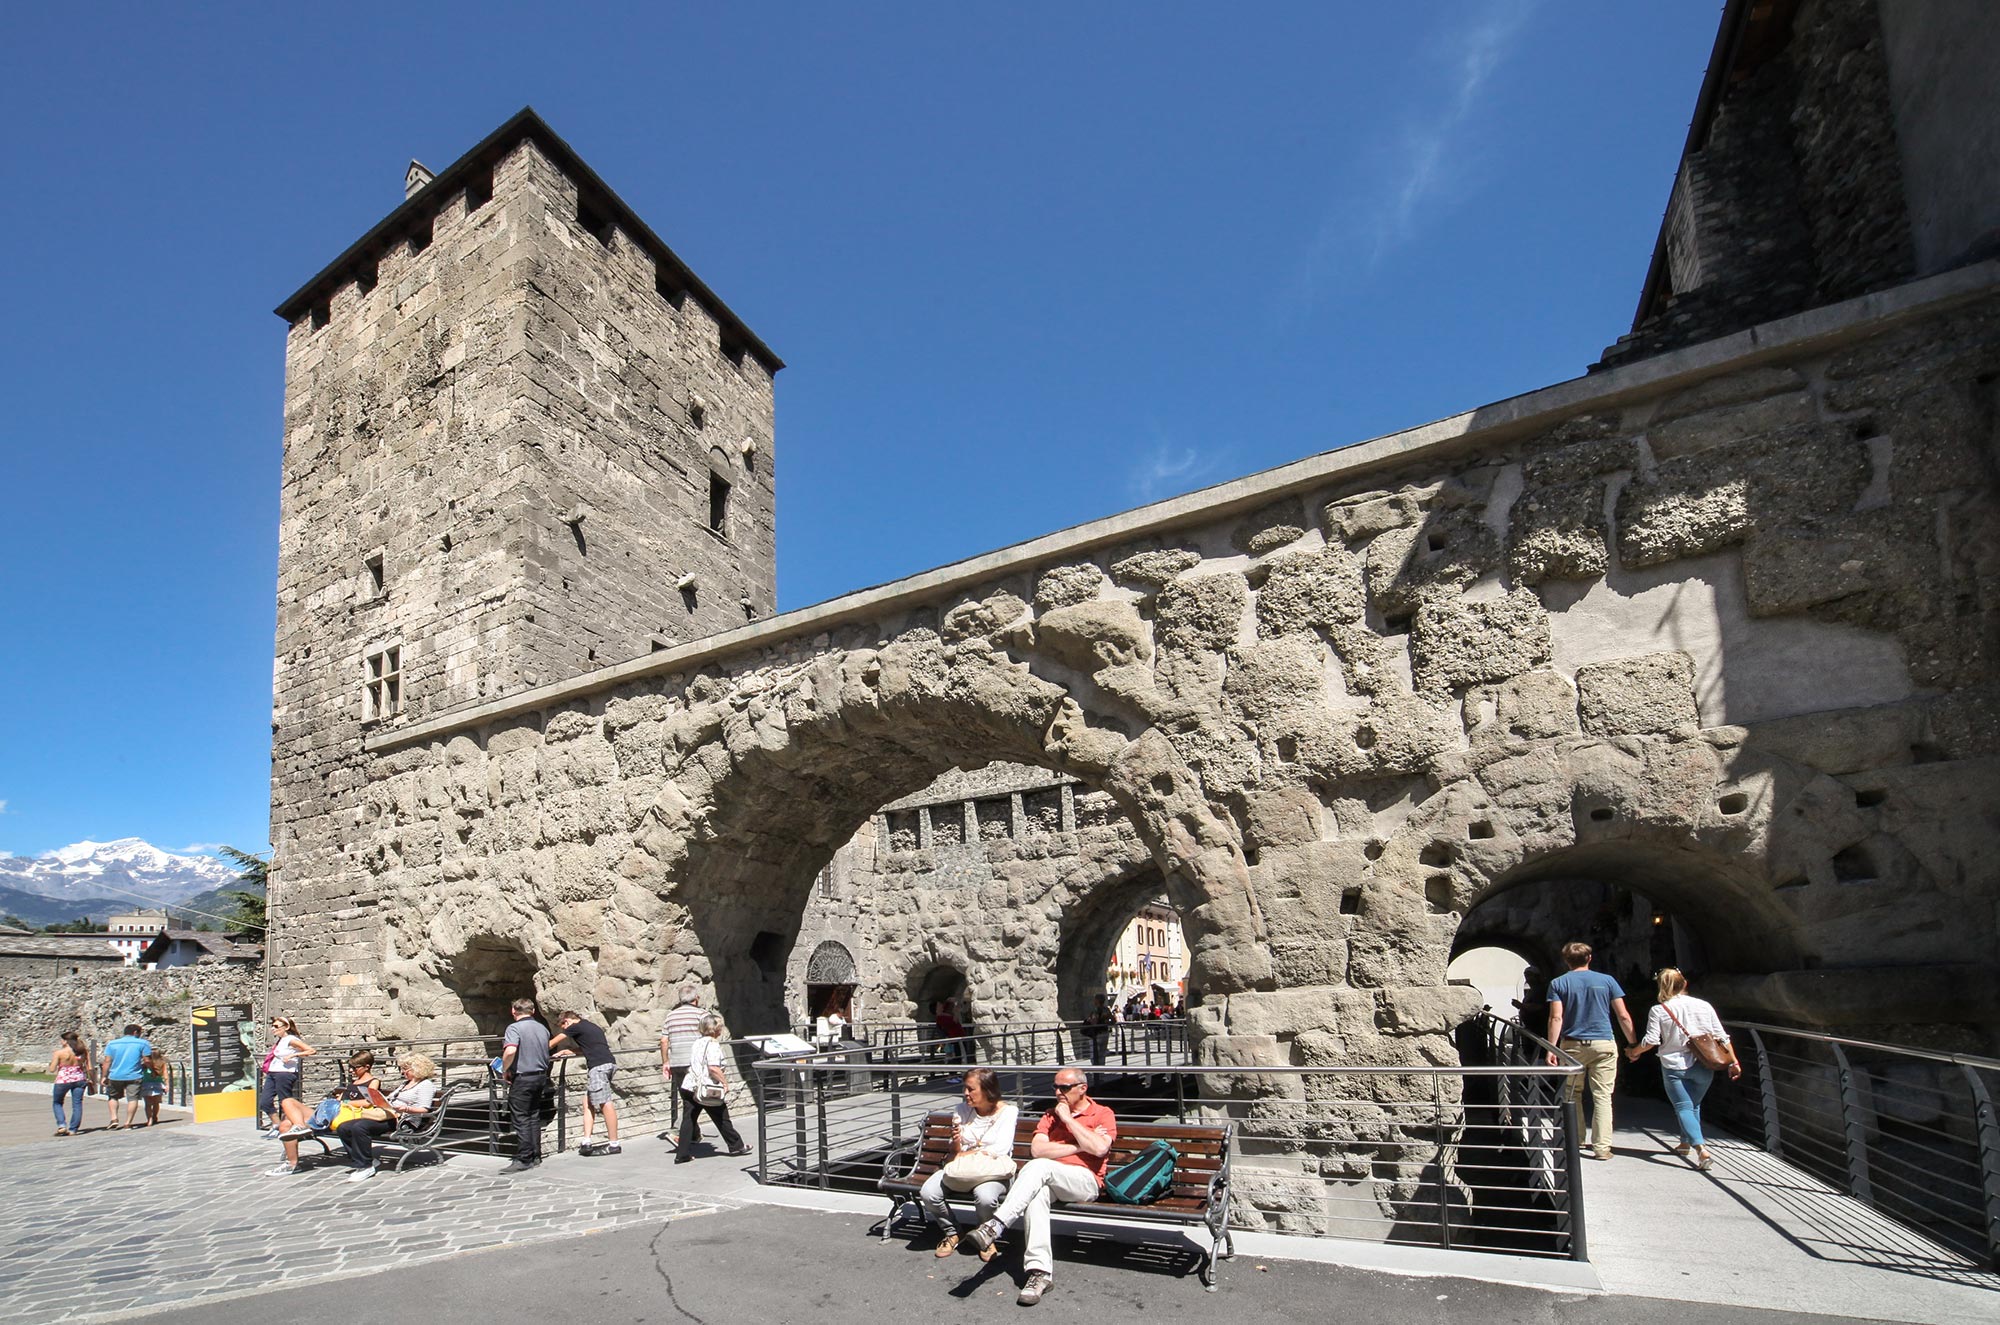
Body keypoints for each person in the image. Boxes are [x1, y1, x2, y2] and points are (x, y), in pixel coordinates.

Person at [967, 1067, 1116, 1306]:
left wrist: (1068, 1119)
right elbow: (1037, 1150)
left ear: (1082, 1088)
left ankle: (995, 1225)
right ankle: (1040, 1274)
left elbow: (1099, 1149)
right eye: (1055, 1087)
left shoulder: (1102, 1113)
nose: (1058, 1092)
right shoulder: (1049, 1115)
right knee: (1036, 1192)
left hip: (1085, 1181)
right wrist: (1080, 1145)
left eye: (1064, 1088)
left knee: (1040, 1167)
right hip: (1050, 1179)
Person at [1627, 968, 1740, 1171]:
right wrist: (1733, 1062)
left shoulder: (1659, 1010)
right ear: (1685, 984)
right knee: (1693, 1105)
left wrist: (1635, 1051)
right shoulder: (1704, 1006)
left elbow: (1652, 1040)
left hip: (1674, 1065)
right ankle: (1685, 1142)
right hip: (1704, 1064)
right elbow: (1722, 1036)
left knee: (1684, 1107)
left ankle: (1701, 1150)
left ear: (1661, 986)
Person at [1545, 941, 1636, 1161]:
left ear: (1566, 960)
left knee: (1572, 1094)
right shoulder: (1607, 981)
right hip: (1603, 1043)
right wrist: (1633, 1044)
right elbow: (1623, 1015)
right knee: (1603, 1096)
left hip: (1572, 1045)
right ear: (1589, 958)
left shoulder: (1558, 983)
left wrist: (1551, 1048)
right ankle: (1602, 1148)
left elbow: (1557, 1017)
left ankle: (1576, 1140)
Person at [919, 1067, 1018, 1262]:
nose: (966, 1093)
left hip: (992, 1171)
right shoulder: (961, 1110)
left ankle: (986, 1236)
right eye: (965, 1088)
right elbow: (956, 1150)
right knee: (928, 1192)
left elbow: (1000, 1150)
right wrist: (957, 1144)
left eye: (971, 1089)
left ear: (988, 1090)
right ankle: (953, 1232)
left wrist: (967, 1151)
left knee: (985, 1197)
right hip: (961, 1168)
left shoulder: (1008, 1112)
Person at [270, 1049, 387, 1175]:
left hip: (343, 1116)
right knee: (287, 1106)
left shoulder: (373, 1082)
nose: (351, 1071)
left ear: (367, 1067)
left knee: (286, 1124)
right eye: (350, 1067)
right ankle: (297, 1139)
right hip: (332, 1113)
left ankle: (293, 1158)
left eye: (355, 1068)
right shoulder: (354, 1081)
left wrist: (344, 1102)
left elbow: (368, 1102)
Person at [335, 1052, 439, 1183]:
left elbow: (424, 1109)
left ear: (417, 1068)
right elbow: (390, 1099)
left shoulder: (425, 1085)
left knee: (359, 1127)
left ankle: (365, 1167)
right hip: (388, 1114)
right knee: (344, 1127)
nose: (403, 1072)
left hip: (404, 1120)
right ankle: (364, 1159)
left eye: (405, 1069)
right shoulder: (405, 1084)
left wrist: (405, 1108)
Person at [675, 1012, 749, 1164]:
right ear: (714, 1029)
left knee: (688, 1119)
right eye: (720, 1026)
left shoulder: (698, 1042)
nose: (721, 1029)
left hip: (690, 1085)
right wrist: (724, 1083)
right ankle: (737, 1146)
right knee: (721, 1115)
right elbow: (713, 1068)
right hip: (706, 1088)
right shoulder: (713, 1045)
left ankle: (681, 1154)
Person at [552, 1010, 620, 1155]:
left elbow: (552, 1042)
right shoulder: (591, 1026)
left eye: (563, 1025)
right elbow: (589, 1047)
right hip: (608, 1063)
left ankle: (614, 1144)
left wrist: (535, 1051)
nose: (564, 1029)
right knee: (587, 1101)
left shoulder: (575, 1027)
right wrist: (567, 1051)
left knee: (605, 1103)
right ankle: (586, 1140)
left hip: (598, 1067)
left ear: (567, 1021)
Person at [499, 997, 552, 1173]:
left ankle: (524, 1158)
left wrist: (504, 1069)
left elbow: (511, 1050)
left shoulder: (514, 1028)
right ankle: (535, 1155)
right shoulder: (542, 1028)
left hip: (523, 1077)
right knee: (533, 1116)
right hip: (540, 1076)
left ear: (513, 1011)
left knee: (521, 1117)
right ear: (533, 1011)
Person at [658, 986, 706, 1143]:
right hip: (695, 1063)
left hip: (677, 1062)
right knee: (698, 1098)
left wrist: (666, 1062)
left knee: (688, 1098)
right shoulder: (702, 1014)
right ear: (696, 998)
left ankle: (693, 1134)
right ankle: (677, 1130)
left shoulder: (670, 1016)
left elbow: (664, 1040)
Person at [258, 1016, 315, 1135]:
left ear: (286, 1027)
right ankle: (276, 1124)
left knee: (285, 1102)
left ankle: (287, 1126)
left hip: (285, 1074)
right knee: (265, 1101)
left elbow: (310, 1050)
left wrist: (292, 1056)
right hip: (273, 1073)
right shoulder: (280, 1040)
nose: (273, 1028)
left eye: (276, 1026)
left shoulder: (291, 1039)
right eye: (272, 1026)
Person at [99, 1024, 154, 1130]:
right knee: (132, 1099)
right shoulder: (143, 1043)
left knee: (113, 1097)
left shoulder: (112, 1043)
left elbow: (107, 1061)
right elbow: (147, 1060)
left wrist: (104, 1076)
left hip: (115, 1075)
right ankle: (128, 1123)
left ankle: (114, 1118)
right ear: (135, 1033)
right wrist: (152, 1071)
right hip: (134, 1075)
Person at [48, 1033, 88, 1136]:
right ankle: (73, 1129)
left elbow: (52, 1069)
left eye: (62, 1040)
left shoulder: (59, 1053)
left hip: (63, 1080)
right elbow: (89, 1066)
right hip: (79, 1078)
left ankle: (62, 1125)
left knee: (57, 1102)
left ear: (66, 1041)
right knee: (77, 1104)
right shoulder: (82, 1052)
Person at [138, 1049, 169, 1126]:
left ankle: (149, 1119)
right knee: (156, 1103)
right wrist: (167, 1085)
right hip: (158, 1084)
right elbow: (165, 1075)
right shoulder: (162, 1064)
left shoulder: (145, 1064)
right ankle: (155, 1116)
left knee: (148, 1104)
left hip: (146, 1084)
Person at [935, 998, 968, 1068]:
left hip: (959, 1036)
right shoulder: (941, 1017)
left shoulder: (947, 1015)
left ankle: (959, 1068)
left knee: (960, 1053)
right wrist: (956, 1011)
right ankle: (953, 1071)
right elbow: (953, 1022)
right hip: (953, 1037)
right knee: (956, 1055)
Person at [1081, 995, 1113, 1069]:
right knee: (1102, 1054)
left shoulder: (1095, 1010)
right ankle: (1102, 1072)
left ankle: (1095, 1073)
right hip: (1105, 1033)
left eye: (1095, 999)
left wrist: (1089, 1020)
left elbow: (1094, 1022)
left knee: (1094, 1054)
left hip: (1096, 1034)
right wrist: (1105, 1022)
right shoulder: (1106, 1010)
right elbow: (1113, 1020)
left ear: (1097, 1001)